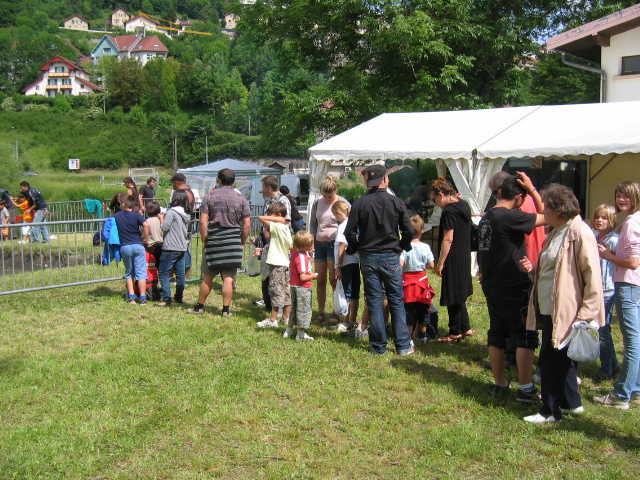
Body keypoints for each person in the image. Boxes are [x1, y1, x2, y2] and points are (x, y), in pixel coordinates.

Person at [520, 184, 604, 423]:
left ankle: (550, 411)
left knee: (551, 359)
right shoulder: (558, 230)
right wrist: (533, 270)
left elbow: (592, 275)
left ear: (560, 209)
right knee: (560, 356)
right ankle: (571, 403)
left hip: (566, 310)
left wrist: (586, 313)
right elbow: (555, 269)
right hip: (550, 306)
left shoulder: (579, 232)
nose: (543, 212)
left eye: (547, 208)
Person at [478, 174, 545, 401]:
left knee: (497, 332)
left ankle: (500, 383)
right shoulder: (510, 216)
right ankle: (526, 388)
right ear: (518, 197)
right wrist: (532, 190)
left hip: (492, 283)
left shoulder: (488, 216)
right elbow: (549, 216)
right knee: (525, 334)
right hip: (514, 284)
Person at [345, 164, 414, 355]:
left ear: (369, 181)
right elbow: (409, 230)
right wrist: (401, 246)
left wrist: (357, 248)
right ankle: (402, 346)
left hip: (368, 256)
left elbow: (349, 232)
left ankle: (378, 346)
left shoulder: (360, 203)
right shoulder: (396, 202)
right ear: (385, 179)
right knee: (396, 300)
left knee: (374, 300)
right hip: (391, 255)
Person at [594, 181, 640, 410]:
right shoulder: (635, 219)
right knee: (636, 341)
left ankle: (621, 395)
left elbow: (632, 262)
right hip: (634, 285)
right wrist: (612, 253)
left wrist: (608, 256)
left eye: (626, 196)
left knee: (631, 343)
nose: (621, 200)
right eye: (619, 195)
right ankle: (636, 389)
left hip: (628, 285)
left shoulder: (631, 223)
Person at [187, 169, 250, 317]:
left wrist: (205, 239)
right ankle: (226, 310)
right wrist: (242, 241)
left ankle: (199, 307)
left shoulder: (210, 196)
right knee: (228, 277)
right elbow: (247, 225)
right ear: (233, 181)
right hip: (233, 240)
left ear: (219, 180)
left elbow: (202, 222)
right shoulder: (242, 199)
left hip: (214, 239)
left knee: (207, 276)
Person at [428, 177, 472, 343]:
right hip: (464, 254)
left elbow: (448, 238)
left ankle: (455, 332)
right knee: (459, 292)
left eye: (434, 200)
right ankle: (465, 327)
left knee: (453, 293)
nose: (435, 204)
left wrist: (440, 262)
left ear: (441, 194)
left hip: (453, 256)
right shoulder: (463, 205)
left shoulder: (449, 211)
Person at [308, 176, 350, 326]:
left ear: (335, 192)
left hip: (334, 244)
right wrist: (311, 242)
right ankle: (320, 312)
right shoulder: (317, 202)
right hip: (319, 244)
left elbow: (349, 221)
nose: (327, 199)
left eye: (330, 197)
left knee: (333, 279)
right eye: (325, 196)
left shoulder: (342, 202)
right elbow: (313, 223)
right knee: (320, 280)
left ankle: (336, 311)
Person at [590, 204, 620, 383]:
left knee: (603, 330)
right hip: (595, 290)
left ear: (611, 221)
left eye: (604, 218)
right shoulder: (593, 238)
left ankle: (605, 370)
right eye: (597, 217)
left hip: (608, 290)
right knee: (603, 329)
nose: (599, 220)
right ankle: (613, 365)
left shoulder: (614, 240)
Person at [256, 202, 293, 328]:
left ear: (279, 215)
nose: (269, 217)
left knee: (275, 291)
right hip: (284, 263)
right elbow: (290, 245)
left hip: (277, 264)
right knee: (285, 291)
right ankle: (286, 317)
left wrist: (279, 219)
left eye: (271, 214)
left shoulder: (278, 226)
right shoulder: (286, 228)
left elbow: (261, 218)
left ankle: (272, 320)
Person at [400, 214, 435, 340]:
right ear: (422, 232)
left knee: (408, 310)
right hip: (421, 283)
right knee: (423, 310)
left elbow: (400, 264)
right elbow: (431, 265)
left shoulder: (405, 247)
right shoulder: (425, 247)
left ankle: (409, 335)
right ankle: (423, 335)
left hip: (408, 283)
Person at [156, 191, 191, 308]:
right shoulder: (186, 213)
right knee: (180, 274)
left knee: (163, 273)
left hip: (170, 246)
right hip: (182, 247)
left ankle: (166, 299)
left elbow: (164, 228)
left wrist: (161, 218)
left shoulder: (172, 212)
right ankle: (179, 297)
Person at [115, 195, 151, 305]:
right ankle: (143, 298)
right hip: (138, 245)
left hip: (125, 246)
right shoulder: (136, 215)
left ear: (123, 204)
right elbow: (146, 225)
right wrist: (145, 238)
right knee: (141, 273)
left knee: (129, 272)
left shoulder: (117, 215)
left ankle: (131, 297)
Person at [284, 231, 319, 341]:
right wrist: (314, 275)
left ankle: (289, 330)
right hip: (303, 287)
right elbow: (303, 277)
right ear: (304, 246)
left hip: (294, 285)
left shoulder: (295, 252)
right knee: (303, 310)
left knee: (294, 308)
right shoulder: (302, 257)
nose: (312, 245)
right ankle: (300, 334)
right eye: (310, 244)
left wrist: (308, 251)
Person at [332, 200, 360, 332]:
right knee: (355, 292)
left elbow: (342, 246)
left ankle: (346, 321)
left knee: (346, 293)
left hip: (346, 263)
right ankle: (353, 319)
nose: (335, 219)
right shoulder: (354, 223)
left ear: (338, 213)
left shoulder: (343, 225)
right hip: (355, 261)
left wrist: (338, 266)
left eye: (335, 216)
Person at [170, 173, 196, 279]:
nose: (172, 184)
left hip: (182, 225)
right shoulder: (189, 190)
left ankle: (184, 277)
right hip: (185, 224)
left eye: (172, 182)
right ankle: (181, 276)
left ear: (176, 182)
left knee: (183, 250)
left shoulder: (182, 193)